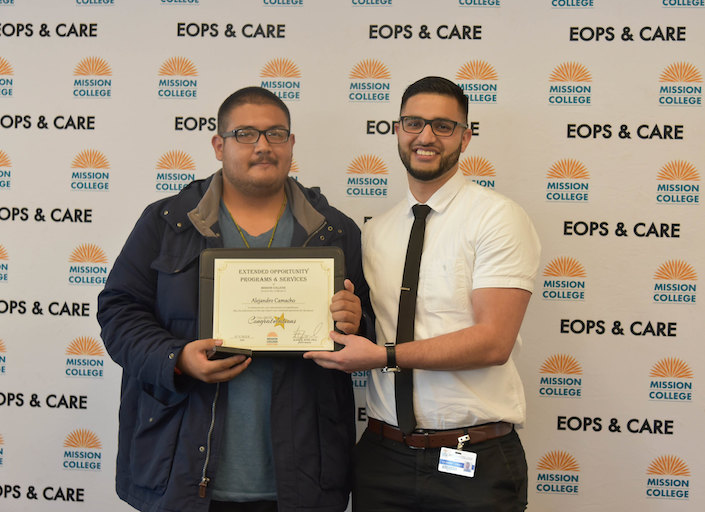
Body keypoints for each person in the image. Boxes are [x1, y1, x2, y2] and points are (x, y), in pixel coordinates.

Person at [98, 86, 371, 512]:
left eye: (276, 134)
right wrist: (176, 359)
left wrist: (355, 322)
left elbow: (365, 333)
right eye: (246, 134)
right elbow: (118, 311)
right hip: (184, 471)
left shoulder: (336, 230)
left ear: (291, 144)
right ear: (218, 145)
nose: (263, 146)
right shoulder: (166, 222)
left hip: (302, 478)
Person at [305, 76, 541, 511]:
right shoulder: (374, 232)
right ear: (396, 130)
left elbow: (494, 342)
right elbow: (369, 327)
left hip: (471, 461)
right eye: (413, 123)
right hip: (381, 457)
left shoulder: (498, 219)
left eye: (443, 126)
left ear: (466, 138)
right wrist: (347, 318)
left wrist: (383, 356)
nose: (426, 136)